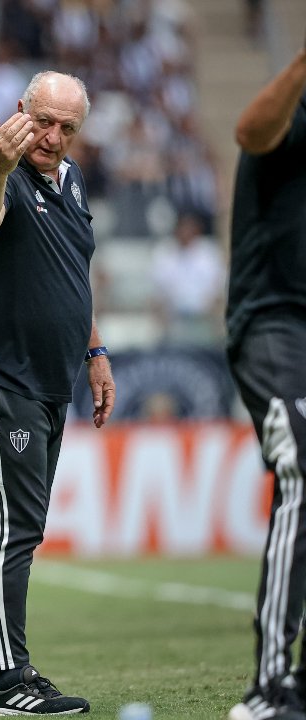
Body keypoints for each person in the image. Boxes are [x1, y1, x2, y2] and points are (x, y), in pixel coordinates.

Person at [0, 71, 115, 716]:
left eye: (68, 127)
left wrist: (94, 351)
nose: (52, 137)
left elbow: (75, 273)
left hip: (46, 379)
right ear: (20, 112)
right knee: (8, 526)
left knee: (19, 526)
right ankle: (12, 678)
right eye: (43, 121)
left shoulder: (70, 182)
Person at [226, 36, 306, 720]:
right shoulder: (293, 106)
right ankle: (269, 686)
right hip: (275, 323)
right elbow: (248, 132)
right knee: (304, 464)